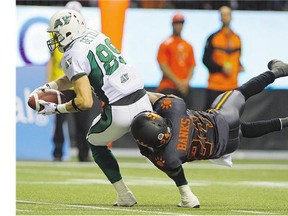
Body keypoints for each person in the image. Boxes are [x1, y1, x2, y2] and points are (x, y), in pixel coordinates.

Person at [29, 9, 152, 206]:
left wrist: (55, 109)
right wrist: (49, 86)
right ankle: (186, 193)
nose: (54, 39)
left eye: (56, 34)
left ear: (67, 31)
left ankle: (124, 194)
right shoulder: (95, 35)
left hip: (117, 107)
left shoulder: (72, 54)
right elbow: (76, 75)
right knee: (158, 145)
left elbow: (85, 102)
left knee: (94, 141)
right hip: (139, 94)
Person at [130, 59, 288, 208]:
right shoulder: (174, 109)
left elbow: (157, 158)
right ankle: (277, 71)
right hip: (225, 119)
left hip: (226, 147)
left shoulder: (168, 157)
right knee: (240, 93)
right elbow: (151, 97)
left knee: (243, 130)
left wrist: (144, 147)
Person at [46, 0, 91, 162]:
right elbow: (51, 59)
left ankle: (83, 154)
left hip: (79, 83)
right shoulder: (55, 34)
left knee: (83, 123)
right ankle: (57, 153)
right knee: (59, 122)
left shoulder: (85, 35)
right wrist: (49, 83)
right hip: (62, 83)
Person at [202, 5, 244, 110]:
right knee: (210, 118)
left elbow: (237, 58)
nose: (225, 17)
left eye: (227, 15)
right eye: (223, 15)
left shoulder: (237, 38)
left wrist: (240, 66)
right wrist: (221, 68)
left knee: (231, 119)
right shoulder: (213, 37)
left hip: (232, 87)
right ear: (220, 18)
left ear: (231, 17)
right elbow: (206, 60)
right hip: (215, 86)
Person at [157, 12, 196, 109]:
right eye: (177, 23)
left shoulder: (188, 46)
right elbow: (163, 66)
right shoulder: (165, 44)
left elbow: (192, 66)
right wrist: (178, 82)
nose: (179, 26)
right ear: (173, 24)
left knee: (190, 115)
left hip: (184, 87)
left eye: (181, 23)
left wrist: (186, 82)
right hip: (168, 86)